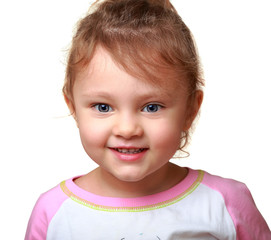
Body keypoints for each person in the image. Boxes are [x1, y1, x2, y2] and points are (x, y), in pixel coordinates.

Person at [25, 0, 271, 239]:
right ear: (73, 108)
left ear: (190, 111)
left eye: (151, 107)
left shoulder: (225, 203)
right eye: (103, 106)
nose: (127, 129)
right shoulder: (53, 212)